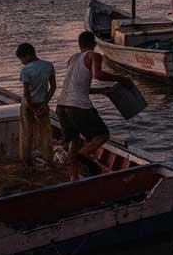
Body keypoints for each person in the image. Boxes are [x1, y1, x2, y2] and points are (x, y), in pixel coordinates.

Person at [58, 31, 137, 179]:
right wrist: (121, 79)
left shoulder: (72, 58)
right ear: (94, 44)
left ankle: (74, 177)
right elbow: (98, 75)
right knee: (103, 135)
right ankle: (84, 154)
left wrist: (101, 91)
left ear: (79, 45)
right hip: (78, 106)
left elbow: (77, 86)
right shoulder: (94, 56)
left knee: (74, 140)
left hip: (61, 105)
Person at [16, 42, 56, 166]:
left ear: (27, 56)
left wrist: (32, 107)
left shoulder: (25, 70)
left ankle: (26, 161)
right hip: (42, 103)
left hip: (28, 105)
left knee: (26, 132)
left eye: (21, 59)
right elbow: (53, 87)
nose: (22, 62)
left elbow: (26, 92)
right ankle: (48, 160)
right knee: (46, 132)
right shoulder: (48, 66)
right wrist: (45, 103)